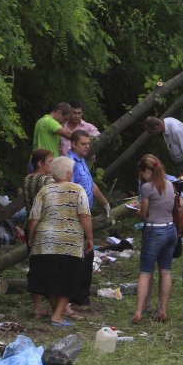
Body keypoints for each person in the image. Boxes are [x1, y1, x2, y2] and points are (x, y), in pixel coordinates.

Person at [27, 156, 93, 327]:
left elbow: (34, 217)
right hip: (69, 242)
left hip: (45, 241)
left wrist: (31, 236)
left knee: (49, 277)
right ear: (69, 173)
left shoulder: (44, 191)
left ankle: (55, 312)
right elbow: (85, 216)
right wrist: (90, 237)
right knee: (68, 278)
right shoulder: (77, 190)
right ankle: (56, 317)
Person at [132, 154, 177, 324]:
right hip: (170, 230)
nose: (141, 176)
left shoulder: (147, 188)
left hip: (154, 231)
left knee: (145, 272)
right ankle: (162, 310)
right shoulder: (170, 185)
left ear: (147, 171)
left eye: (142, 173)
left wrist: (138, 211)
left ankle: (138, 311)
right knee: (165, 271)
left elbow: (144, 213)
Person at [66, 130, 110, 307]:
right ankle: (76, 295)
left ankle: (79, 294)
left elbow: (91, 185)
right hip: (75, 215)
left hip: (86, 212)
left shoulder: (82, 162)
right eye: (83, 144)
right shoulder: (70, 163)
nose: (87, 147)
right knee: (83, 253)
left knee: (86, 254)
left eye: (88, 144)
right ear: (74, 144)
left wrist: (105, 203)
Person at [22, 149, 54, 319]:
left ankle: (37, 306)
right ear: (40, 163)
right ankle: (59, 305)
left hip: (30, 226)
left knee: (35, 267)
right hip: (46, 227)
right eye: (50, 161)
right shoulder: (47, 180)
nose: (52, 164)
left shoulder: (27, 179)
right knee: (50, 267)